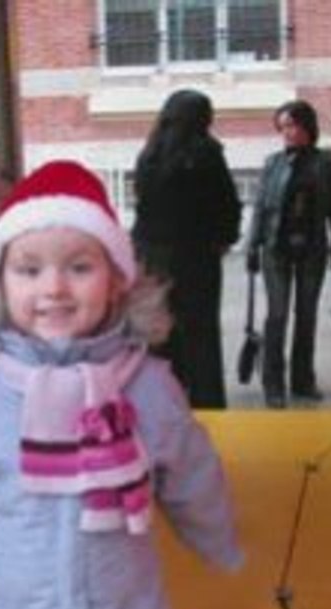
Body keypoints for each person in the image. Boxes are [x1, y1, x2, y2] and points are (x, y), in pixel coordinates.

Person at [0, 160, 244, 609]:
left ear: (117, 278)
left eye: (78, 267)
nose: (53, 288)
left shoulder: (147, 386)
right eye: (28, 270)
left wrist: (215, 536)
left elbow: (191, 471)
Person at [131, 89, 242, 409]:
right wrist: (224, 238)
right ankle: (208, 407)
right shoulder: (206, 152)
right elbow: (226, 204)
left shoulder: (149, 154)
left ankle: (165, 404)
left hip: (153, 258)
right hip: (196, 257)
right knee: (202, 336)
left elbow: (143, 208)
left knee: (160, 337)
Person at [246, 100, 331, 409]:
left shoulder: (326, 163)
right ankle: (273, 383)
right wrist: (252, 245)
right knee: (277, 316)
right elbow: (261, 208)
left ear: (307, 127)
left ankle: (303, 380)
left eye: (292, 125)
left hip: (312, 249)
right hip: (276, 249)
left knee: (306, 316)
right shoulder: (272, 163)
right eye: (283, 127)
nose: (287, 132)